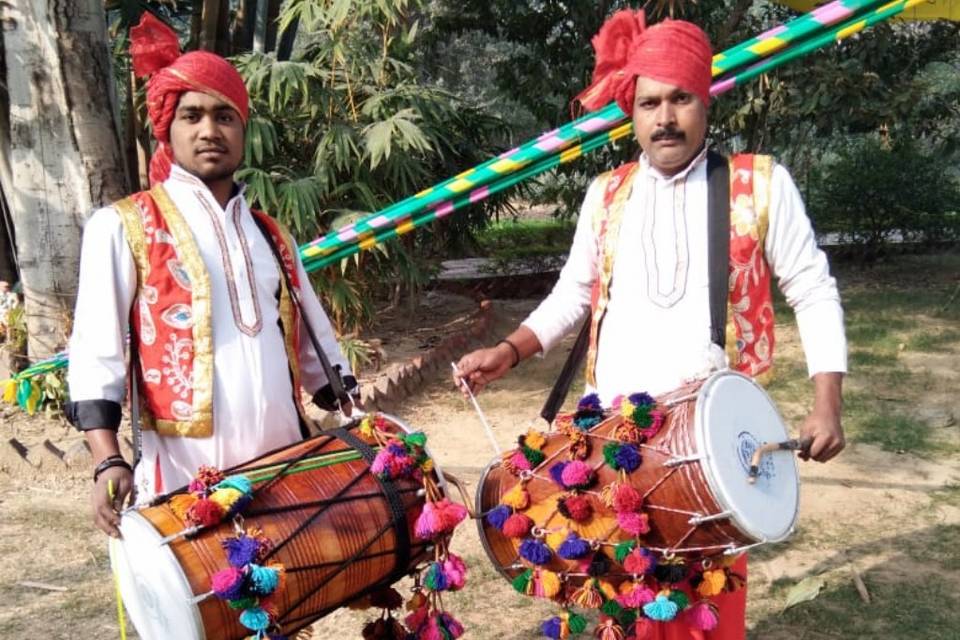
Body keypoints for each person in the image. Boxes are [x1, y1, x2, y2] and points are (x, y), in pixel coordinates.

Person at [454, 10, 846, 640]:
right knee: (613, 601)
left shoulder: (759, 185)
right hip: (609, 437)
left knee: (703, 615)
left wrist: (828, 403)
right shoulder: (605, 194)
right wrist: (510, 350)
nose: (664, 118)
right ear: (631, 113)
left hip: (707, 446)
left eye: (680, 99)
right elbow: (572, 295)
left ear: (706, 102)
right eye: (649, 103)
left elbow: (814, 290)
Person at [65, 13, 356, 539]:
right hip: (183, 478)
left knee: (283, 610)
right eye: (192, 115)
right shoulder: (123, 226)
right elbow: (95, 355)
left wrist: (357, 416)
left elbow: (319, 349)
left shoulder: (271, 235)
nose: (208, 131)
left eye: (225, 116)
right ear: (167, 131)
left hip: (286, 470)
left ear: (243, 130)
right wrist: (108, 461)